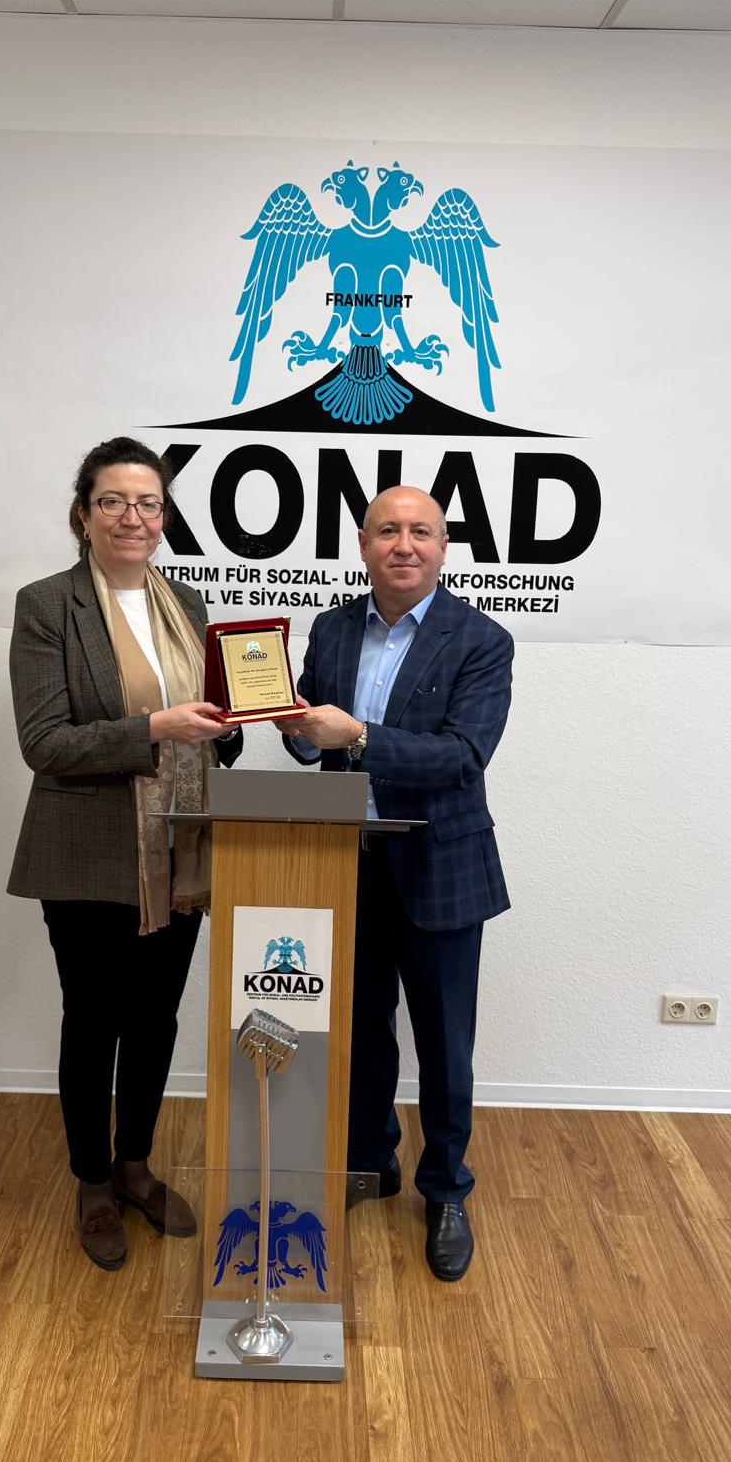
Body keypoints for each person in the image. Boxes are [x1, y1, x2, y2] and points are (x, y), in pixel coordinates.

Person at [7, 436, 241, 1270]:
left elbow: (215, 728)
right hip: (87, 852)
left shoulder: (190, 605)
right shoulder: (48, 605)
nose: (132, 517)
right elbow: (44, 743)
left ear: (164, 516)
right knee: (93, 1018)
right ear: (84, 515)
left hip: (181, 845)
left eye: (147, 503)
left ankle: (136, 1164)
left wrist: (238, 722)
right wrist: (153, 728)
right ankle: (92, 1181)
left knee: (155, 1017)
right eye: (113, 501)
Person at [276, 486, 512, 1281]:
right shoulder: (333, 628)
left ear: (443, 548)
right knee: (358, 1027)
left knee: (445, 1043)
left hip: (440, 866)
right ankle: (370, 1160)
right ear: (363, 544)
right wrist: (296, 731)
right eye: (387, 531)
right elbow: (315, 743)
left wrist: (359, 736)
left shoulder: (481, 640)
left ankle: (445, 1189)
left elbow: (462, 758)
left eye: (420, 532)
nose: (403, 545)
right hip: (349, 860)